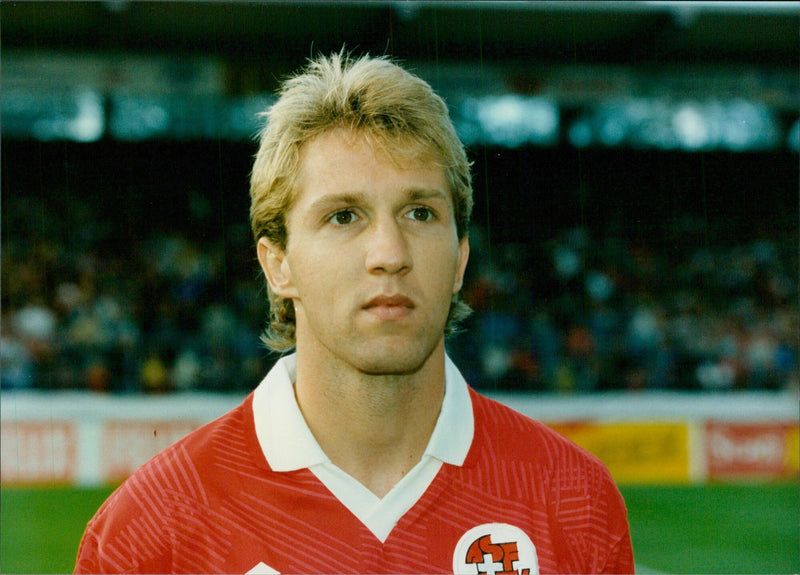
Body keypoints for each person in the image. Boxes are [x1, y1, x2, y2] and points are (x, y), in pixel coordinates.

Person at [74, 52, 634, 575]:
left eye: (419, 212)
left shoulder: (573, 498)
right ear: (278, 265)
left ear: (459, 258)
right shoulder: (151, 530)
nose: (390, 253)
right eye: (344, 216)